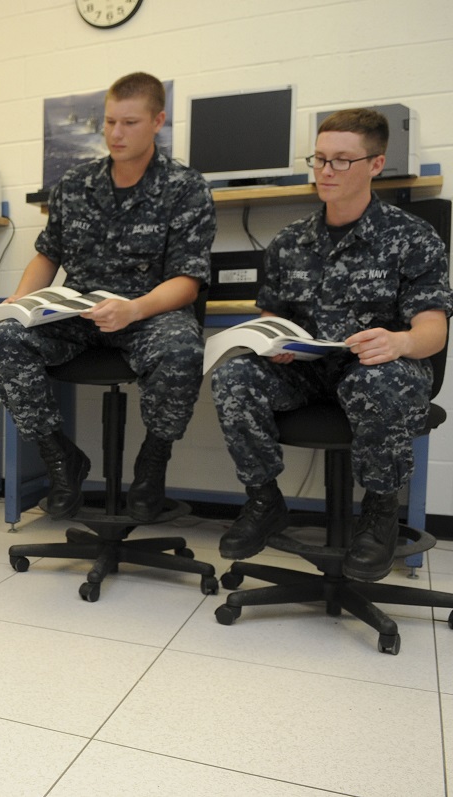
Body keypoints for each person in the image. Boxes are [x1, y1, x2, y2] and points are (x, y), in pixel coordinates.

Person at [212, 108, 451, 580]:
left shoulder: (412, 237)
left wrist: (399, 342)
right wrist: (274, 339)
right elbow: (272, 315)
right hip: (309, 371)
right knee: (234, 376)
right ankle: (264, 500)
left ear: (376, 165)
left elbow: (433, 331)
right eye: (320, 158)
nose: (326, 170)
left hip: (379, 368)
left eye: (342, 160)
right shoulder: (289, 241)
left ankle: (380, 515)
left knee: (379, 381)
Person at [0, 71, 216, 521]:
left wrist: (134, 308)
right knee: (8, 338)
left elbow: (187, 282)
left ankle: (153, 463)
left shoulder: (186, 187)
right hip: (80, 313)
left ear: (158, 121)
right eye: (110, 121)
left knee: (181, 345)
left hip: (148, 312)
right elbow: (46, 256)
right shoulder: (75, 184)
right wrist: (21, 299)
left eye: (129, 123)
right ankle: (60, 459)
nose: (115, 133)